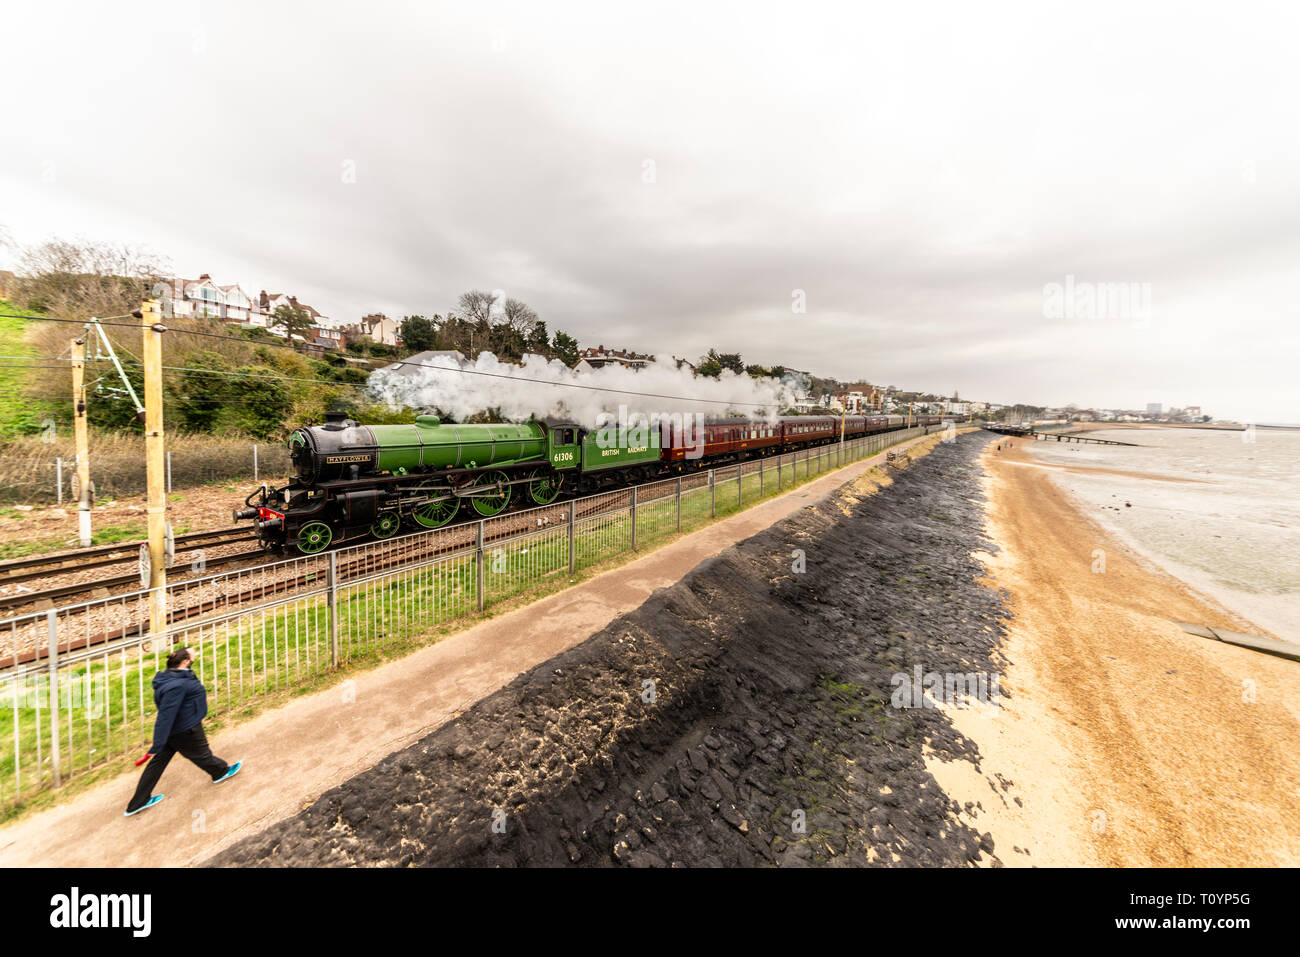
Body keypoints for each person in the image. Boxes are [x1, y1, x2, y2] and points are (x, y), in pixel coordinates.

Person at [124, 645, 242, 817]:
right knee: (202, 755)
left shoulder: (171, 675)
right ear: (186, 661)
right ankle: (220, 772)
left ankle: (137, 802)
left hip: (175, 729)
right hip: (185, 728)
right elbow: (166, 715)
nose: (196, 656)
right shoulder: (176, 686)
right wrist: (157, 743)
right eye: (193, 656)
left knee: (157, 765)